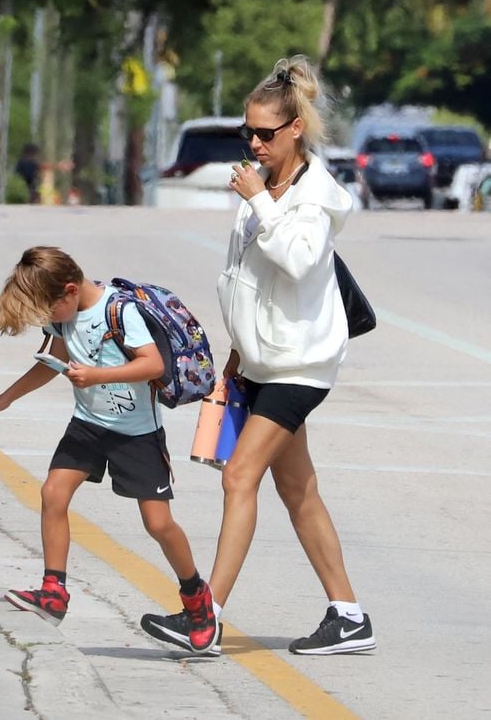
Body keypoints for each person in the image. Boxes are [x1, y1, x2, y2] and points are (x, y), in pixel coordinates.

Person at [141, 55, 376, 656]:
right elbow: (248, 280)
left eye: (265, 133)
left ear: (295, 129)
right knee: (299, 492)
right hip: (264, 361)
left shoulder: (316, 197)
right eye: (247, 132)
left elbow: (296, 260)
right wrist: (238, 354)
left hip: (302, 364)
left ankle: (207, 616)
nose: (254, 142)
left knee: (240, 475)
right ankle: (349, 616)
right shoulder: (261, 188)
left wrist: (261, 203)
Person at [0, 246, 219, 655]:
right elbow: (49, 362)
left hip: (137, 433)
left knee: (158, 525)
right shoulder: (63, 317)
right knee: (53, 493)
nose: (49, 320)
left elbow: (153, 365)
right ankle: (54, 591)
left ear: (69, 291)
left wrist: (97, 375)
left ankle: (198, 602)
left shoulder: (119, 312)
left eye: (48, 310)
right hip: (88, 426)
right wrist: (5, 399)